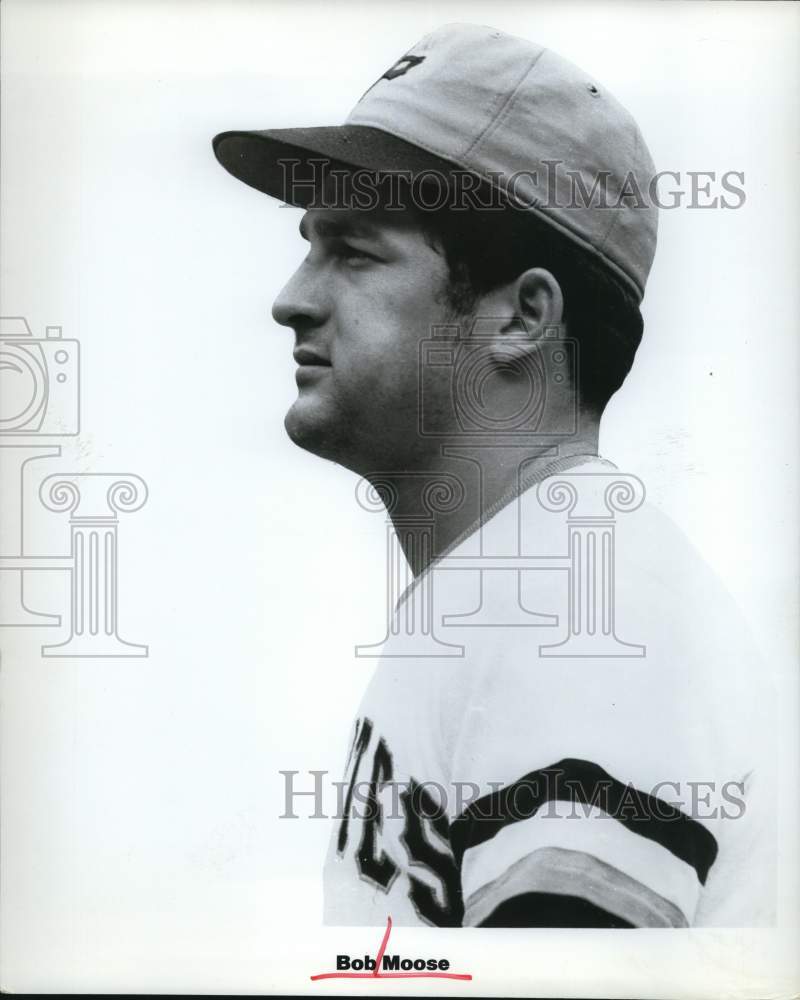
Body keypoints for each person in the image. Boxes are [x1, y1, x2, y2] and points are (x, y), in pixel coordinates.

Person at [213, 23, 773, 928]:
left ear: (520, 317)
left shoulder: (582, 614)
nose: (293, 296)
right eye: (310, 243)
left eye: (353, 252)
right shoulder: (519, 591)